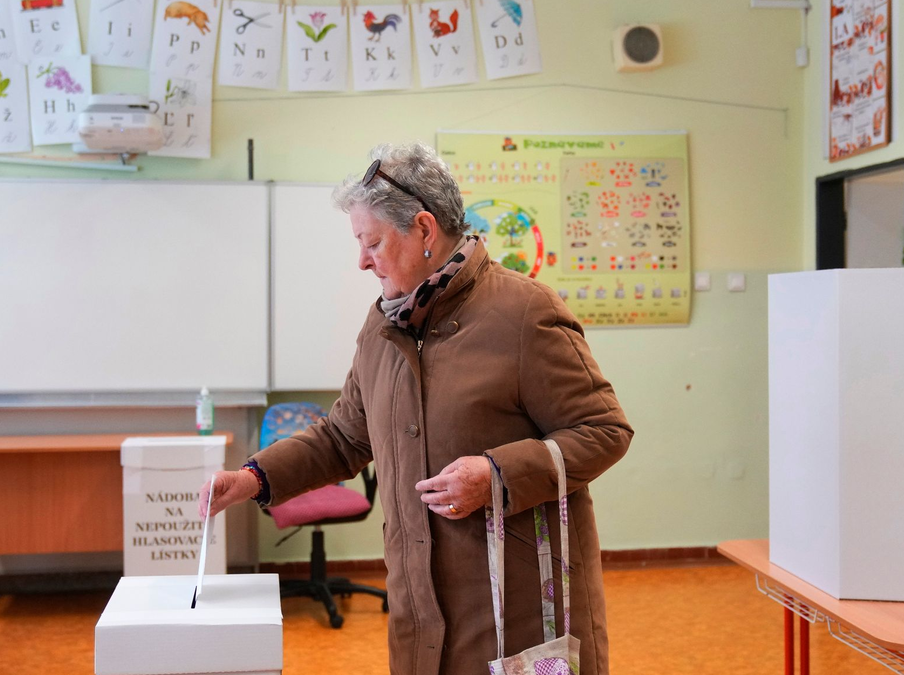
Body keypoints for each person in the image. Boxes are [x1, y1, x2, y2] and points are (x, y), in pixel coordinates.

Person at [200, 142, 633, 675]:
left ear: (425, 230)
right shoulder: (383, 326)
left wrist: (495, 473)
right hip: (418, 614)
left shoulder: (524, 313)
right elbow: (343, 437)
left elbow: (603, 430)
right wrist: (252, 478)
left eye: (372, 242)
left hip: (516, 613)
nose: (361, 260)